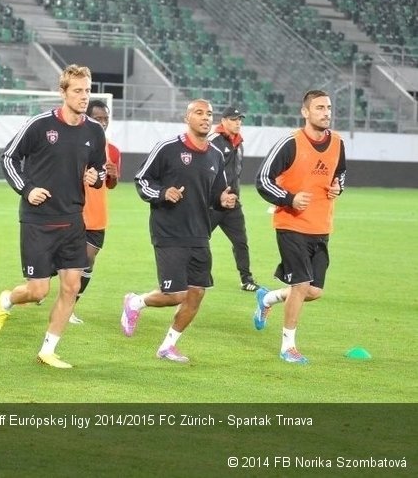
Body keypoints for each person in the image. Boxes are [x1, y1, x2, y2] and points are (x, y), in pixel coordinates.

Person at [0, 64, 107, 369]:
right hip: (38, 221)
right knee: (38, 291)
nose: (83, 96)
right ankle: (8, 300)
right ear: (63, 92)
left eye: (87, 90)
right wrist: (27, 190)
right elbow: (9, 158)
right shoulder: (39, 125)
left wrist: (95, 177)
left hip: (73, 220)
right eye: (77, 90)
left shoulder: (94, 131)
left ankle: (48, 350)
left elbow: (99, 170)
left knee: (72, 287)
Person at [121, 99, 237, 363]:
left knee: (196, 293)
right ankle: (135, 302)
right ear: (187, 118)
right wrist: (163, 193)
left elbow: (217, 193)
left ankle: (168, 346)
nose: (206, 118)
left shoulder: (215, 155)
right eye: (199, 113)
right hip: (169, 232)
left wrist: (224, 200)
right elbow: (142, 180)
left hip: (199, 234)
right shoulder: (168, 149)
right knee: (175, 294)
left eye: (209, 114)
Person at [254, 90, 346, 365]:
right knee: (301, 283)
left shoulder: (338, 142)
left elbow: (340, 173)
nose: (326, 112)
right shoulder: (290, 143)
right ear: (305, 112)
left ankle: (267, 299)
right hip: (291, 224)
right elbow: (262, 179)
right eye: (319, 107)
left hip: (321, 225)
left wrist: (339, 186)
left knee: (313, 291)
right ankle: (288, 346)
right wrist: (289, 198)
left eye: (328, 107)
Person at [70, 99, 121, 325]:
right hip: (72, 210)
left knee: (88, 261)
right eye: (97, 118)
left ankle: (70, 306)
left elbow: (110, 185)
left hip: (97, 214)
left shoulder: (113, 150)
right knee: (68, 262)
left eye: (105, 118)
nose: (102, 122)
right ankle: (38, 284)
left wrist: (113, 176)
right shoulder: (75, 141)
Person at [208, 106, 261, 292]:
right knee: (198, 240)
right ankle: (199, 276)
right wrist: (214, 197)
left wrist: (235, 196)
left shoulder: (239, 144)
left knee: (241, 242)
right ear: (223, 121)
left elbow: (235, 174)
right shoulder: (213, 141)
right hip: (212, 204)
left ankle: (246, 280)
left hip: (233, 204)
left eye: (240, 119)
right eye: (233, 119)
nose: (238, 122)